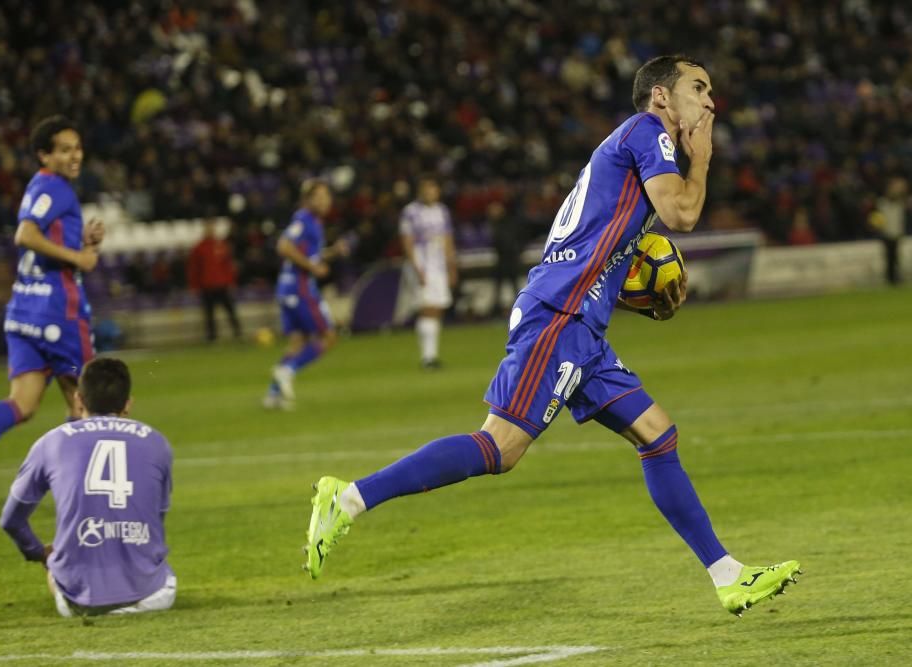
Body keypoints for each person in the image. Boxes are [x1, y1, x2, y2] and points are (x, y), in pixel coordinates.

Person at [304, 55, 801, 617]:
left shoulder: (631, 147)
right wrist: (703, 159)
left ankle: (728, 575)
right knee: (499, 448)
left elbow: (602, 234)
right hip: (560, 317)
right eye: (699, 88)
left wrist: (625, 281)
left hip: (581, 322)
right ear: (662, 96)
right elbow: (682, 213)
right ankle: (347, 499)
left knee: (658, 434)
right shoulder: (647, 132)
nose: (710, 101)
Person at [0, 115, 105, 509]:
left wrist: (83, 242)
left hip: (23, 311)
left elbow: (39, 236)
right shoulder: (57, 188)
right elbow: (26, 234)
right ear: (43, 155)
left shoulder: (40, 187)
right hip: (58, 311)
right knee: (84, 401)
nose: (74, 156)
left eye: (77, 148)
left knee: (22, 403)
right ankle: (81, 493)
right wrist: (79, 257)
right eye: (64, 149)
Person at [0, 358, 176, 617]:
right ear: (128, 404)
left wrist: (39, 554)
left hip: (77, 601)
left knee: (58, 563)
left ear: (78, 399)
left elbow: (11, 520)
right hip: (152, 596)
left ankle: (80, 587)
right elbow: (157, 518)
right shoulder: (157, 442)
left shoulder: (51, 442)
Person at [263, 179, 347, 410]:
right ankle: (286, 370)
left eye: (326, 196)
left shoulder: (314, 222)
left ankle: (273, 395)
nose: (324, 201)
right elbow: (284, 246)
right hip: (299, 288)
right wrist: (312, 268)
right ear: (307, 200)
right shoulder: (303, 219)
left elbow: (311, 256)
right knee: (329, 337)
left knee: (297, 343)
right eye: (318, 197)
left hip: (287, 287)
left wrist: (332, 252)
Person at [400, 176, 458, 368]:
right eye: (426, 189)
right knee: (427, 307)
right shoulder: (411, 212)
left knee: (438, 307)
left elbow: (448, 240)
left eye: (433, 189)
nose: (429, 193)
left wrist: (451, 267)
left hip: (439, 266)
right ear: (420, 192)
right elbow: (407, 241)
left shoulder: (442, 211)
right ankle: (427, 357)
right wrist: (417, 268)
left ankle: (432, 356)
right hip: (421, 265)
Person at [187, 220, 241, 341]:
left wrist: (231, 281)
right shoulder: (198, 248)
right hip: (207, 286)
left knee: (230, 310)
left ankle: (238, 333)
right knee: (209, 314)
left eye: (212, 228)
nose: (210, 231)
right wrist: (194, 286)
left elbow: (228, 265)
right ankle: (212, 337)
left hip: (222, 284)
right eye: (208, 229)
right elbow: (194, 269)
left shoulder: (221, 245)